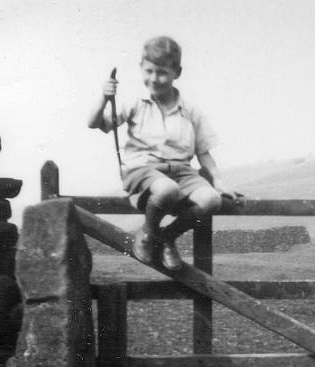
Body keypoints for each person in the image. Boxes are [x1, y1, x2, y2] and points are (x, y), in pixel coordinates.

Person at [88, 36, 237, 270]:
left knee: (211, 200)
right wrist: (104, 99)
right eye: (148, 71)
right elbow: (95, 123)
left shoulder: (191, 111)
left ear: (177, 72)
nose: (154, 79)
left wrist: (219, 182)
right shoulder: (135, 103)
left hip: (182, 173)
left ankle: (167, 237)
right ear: (141, 68)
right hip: (143, 171)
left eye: (162, 73)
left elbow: (204, 152)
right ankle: (147, 233)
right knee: (167, 189)